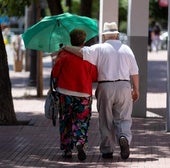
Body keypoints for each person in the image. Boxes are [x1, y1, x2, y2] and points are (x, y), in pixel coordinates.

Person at [64, 22, 139, 160]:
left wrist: (65, 47)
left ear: (104, 36)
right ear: (117, 35)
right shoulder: (127, 49)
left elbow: (80, 52)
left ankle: (107, 150)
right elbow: (135, 72)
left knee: (106, 119)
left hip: (105, 86)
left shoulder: (99, 48)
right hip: (124, 85)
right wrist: (136, 89)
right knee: (124, 118)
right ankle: (124, 138)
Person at [51, 29, 98, 161]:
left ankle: (67, 150)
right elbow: (94, 76)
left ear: (71, 40)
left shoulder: (63, 55)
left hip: (65, 93)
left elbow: (55, 73)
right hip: (83, 94)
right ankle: (80, 142)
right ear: (83, 41)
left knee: (65, 120)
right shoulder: (89, 56)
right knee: (82, 121)